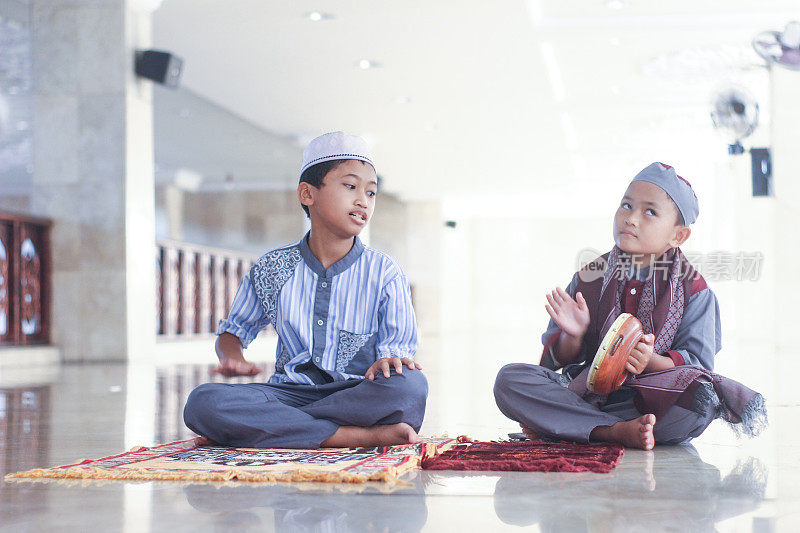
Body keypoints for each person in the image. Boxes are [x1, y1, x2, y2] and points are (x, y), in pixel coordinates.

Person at [494, 162, 765, 450]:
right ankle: (612, 431)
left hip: (651, 400)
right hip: (586, 392)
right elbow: (559, 361)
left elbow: (698, 366)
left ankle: (576, 425)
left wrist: (651, 362)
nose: (631, 218)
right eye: (626, 205)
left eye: (650, 212)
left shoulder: (695, 290)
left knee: (701, 401)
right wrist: (574, 335)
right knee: (510, 380)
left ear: (678, 236)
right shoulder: (590, 277)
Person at [183, 132, 427, 449]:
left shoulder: (384, 272)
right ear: (307, 194)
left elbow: (398, 353)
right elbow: (233, 332)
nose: (362, 200)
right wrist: (232, 358)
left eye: (371, 192)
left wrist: (390, 360)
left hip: (357, 392)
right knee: (203, 401)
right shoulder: (271, 267)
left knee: (409, 388)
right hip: (289, 391)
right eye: (351, 186)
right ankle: (351, 436)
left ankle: (272, 427)